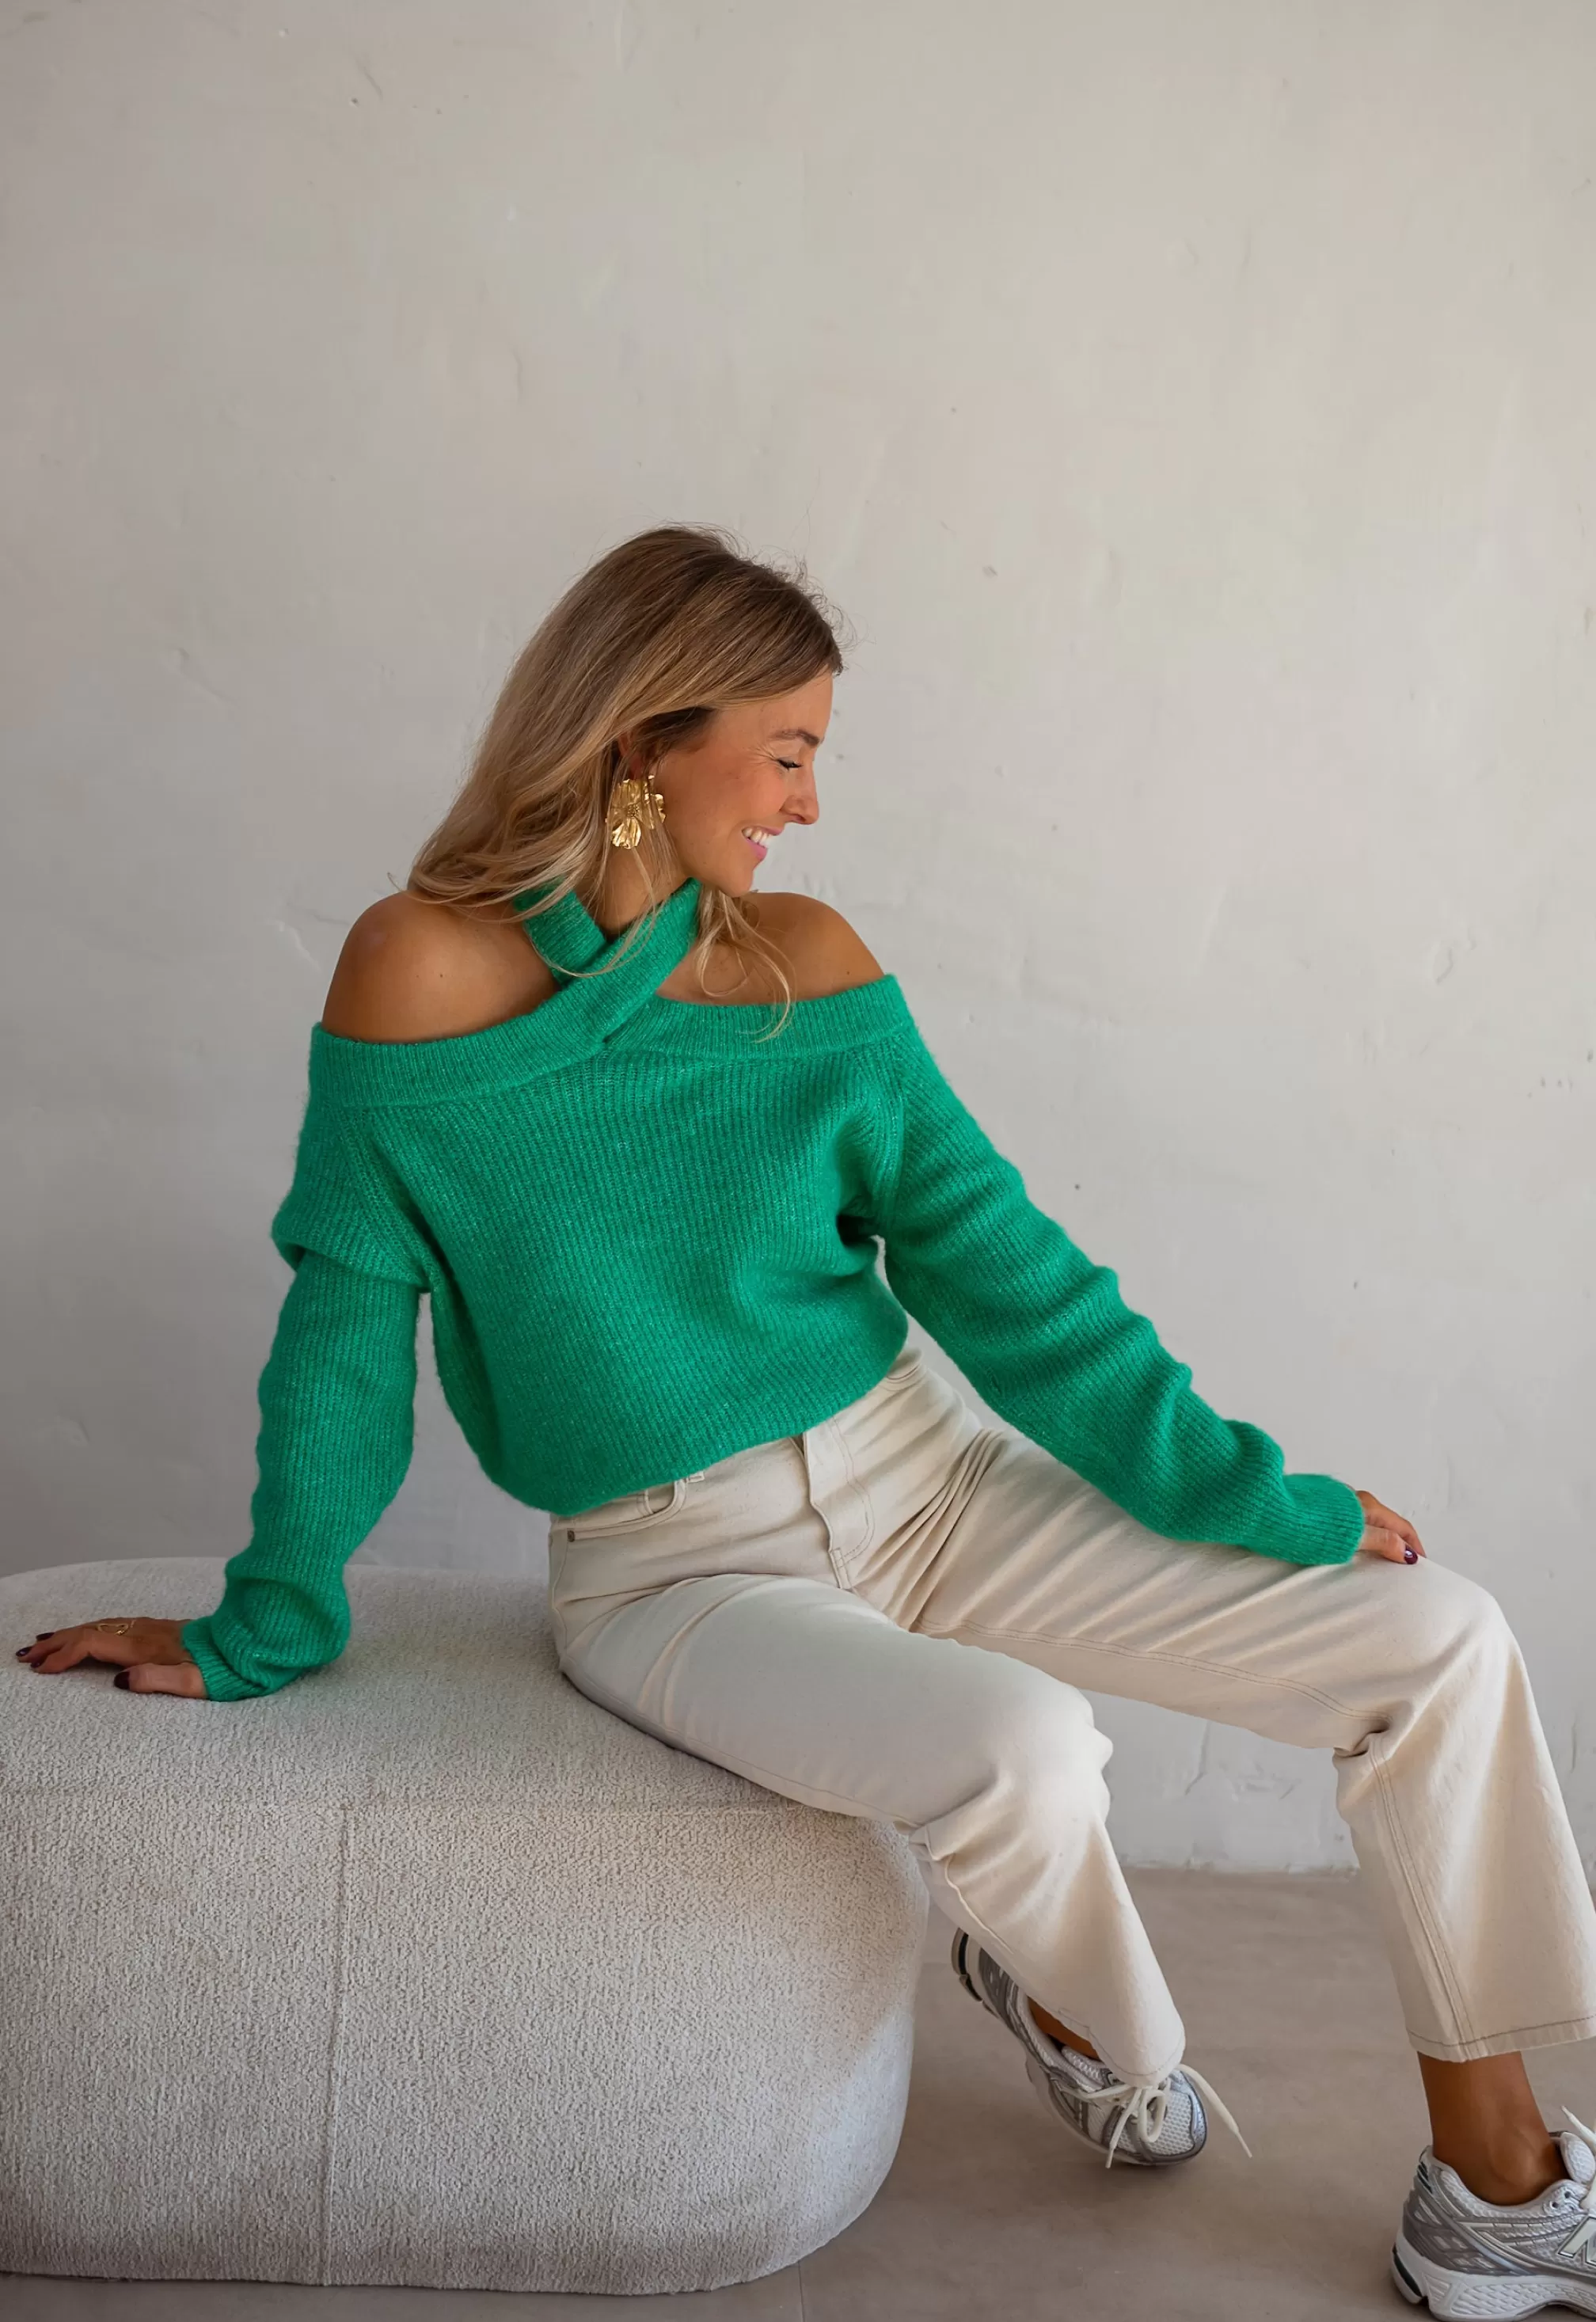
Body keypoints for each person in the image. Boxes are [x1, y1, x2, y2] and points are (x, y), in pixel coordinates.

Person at [18, 524, 1596, 2313]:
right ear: (643, 740)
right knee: (1025, 1751)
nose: (809, 803)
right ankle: (1100, 2020)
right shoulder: (416, 972)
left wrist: (1252, 1492)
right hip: (677, 1573)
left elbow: (1014, 1280)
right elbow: (343, 1340)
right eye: (786, 752)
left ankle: (1495, 2184)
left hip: (931, 1479)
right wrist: (269, 1619)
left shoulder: (807, 965)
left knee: (1439, 1638)